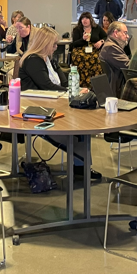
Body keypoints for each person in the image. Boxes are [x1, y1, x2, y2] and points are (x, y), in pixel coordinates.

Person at [18, 26, 99, 179]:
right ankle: (81, 166)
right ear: (44, 44)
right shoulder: (33, 60)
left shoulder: (49, 59)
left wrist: (75, 90)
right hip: (38, 109)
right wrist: (70, 91)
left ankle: (81, 166)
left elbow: (63, 82)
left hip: (53, 103)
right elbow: (47, 86)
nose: (56, 47)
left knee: (82, 124)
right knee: (76, 130)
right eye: (53, 44)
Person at [70, 12, 106, 88]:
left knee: (96, 58)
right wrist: (83, 39)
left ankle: (95, 84)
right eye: (83, 18)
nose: (84, 20)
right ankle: (81, 83)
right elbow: (74, 44)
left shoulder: (96, 28)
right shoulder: (77, 29)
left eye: (87, 18)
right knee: (80, 57)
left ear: (90, 19)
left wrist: (101, 41)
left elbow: (106, 37)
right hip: (80, 49)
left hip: (94, 49)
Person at [99, 21, 131, 95]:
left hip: (117, 83)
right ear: (116, 33)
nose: (127, 36)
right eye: (125, 33)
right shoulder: (111, 47)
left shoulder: (111, 45)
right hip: (118, 87)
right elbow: (128, 66)